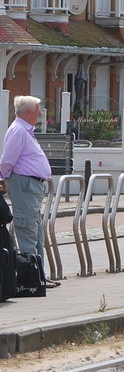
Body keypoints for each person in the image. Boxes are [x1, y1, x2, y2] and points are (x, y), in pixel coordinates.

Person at [0, 96, 53, 270]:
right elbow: (8, 160)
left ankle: (38, 275)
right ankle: (30, 276)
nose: (40, 113)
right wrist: (1, 177)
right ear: (29, 111)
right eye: (38, 109)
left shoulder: (25, 130)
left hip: (31, 185)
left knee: (35, 230)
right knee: (27, 228)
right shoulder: (19, 130)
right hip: (25, 184)